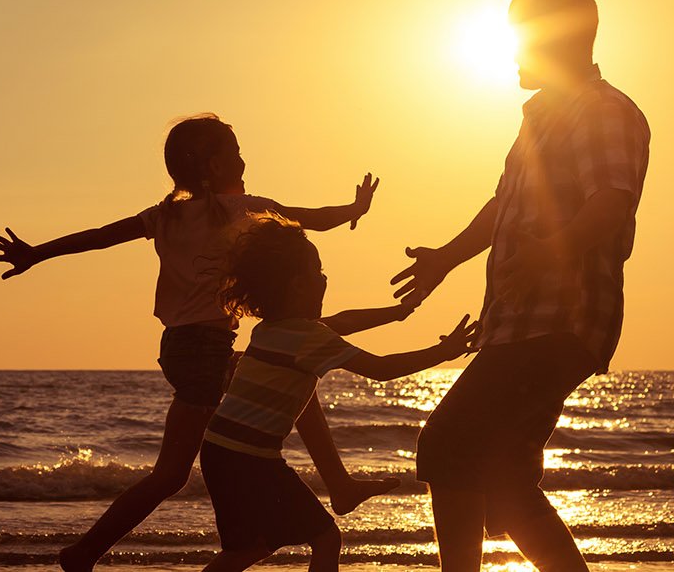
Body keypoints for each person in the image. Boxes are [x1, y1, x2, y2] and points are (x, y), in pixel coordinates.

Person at [0, 114, 412, 572]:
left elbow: (100, 238)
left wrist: (37, 253)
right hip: (205, 352)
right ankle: (84, 552)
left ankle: (338, 482)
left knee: (289, 373)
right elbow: (311, 220)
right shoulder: (241, 208)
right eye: (235, 151)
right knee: (171, 473)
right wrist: (355, 210)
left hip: (180, 347)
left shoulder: (164, 215)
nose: (244, 159)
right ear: (214, 166)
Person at [388, 0, 651, 572]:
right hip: (520, 321)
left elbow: (612, 202)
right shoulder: (543, 120)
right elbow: (503, 205)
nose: (510, 54)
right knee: (505, 483)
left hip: (558, 320)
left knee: (449, 445)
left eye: (520, 38)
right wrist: (444, 259)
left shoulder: (603, 111)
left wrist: (551, 249)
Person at [201, 212, 478, 572]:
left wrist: (397, 313)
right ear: (300, 286)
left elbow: (344, 321)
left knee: (250, 547)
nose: (325, 278)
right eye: (319, 273)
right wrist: (442, 352)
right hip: (250, 459)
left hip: (220, 452)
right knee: (326, 538)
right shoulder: (309, 338)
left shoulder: (273, 330)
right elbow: (381, 369)